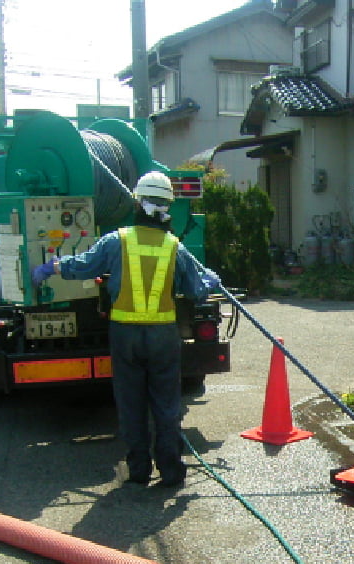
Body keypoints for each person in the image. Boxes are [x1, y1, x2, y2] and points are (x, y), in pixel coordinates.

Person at [31, 170, 220, 488]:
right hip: (162, 336)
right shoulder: (175, 247)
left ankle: (139, 471)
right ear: (167, 208)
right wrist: (210, 280)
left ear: (137, 203)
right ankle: (171, 472)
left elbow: (85, 265)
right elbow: (197, 289)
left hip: (125, 335)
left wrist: (52, 267)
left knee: (131, 404)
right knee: (166, 405)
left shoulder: (116, 241)